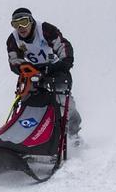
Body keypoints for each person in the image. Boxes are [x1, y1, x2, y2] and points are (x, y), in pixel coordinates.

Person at [6, 7, 82, 136]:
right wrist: (24, 67)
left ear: (31, 21)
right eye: (16, 24)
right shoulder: (13, 39)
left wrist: (65, 62)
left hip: (55, 68)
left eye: (24, 22)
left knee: (63, 100)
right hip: (32, 71)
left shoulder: (45, 30)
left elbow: (62, 45)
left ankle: (73, 133)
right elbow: (14, 60)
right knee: (26, 99)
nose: (21, 27)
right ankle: (27, 132)